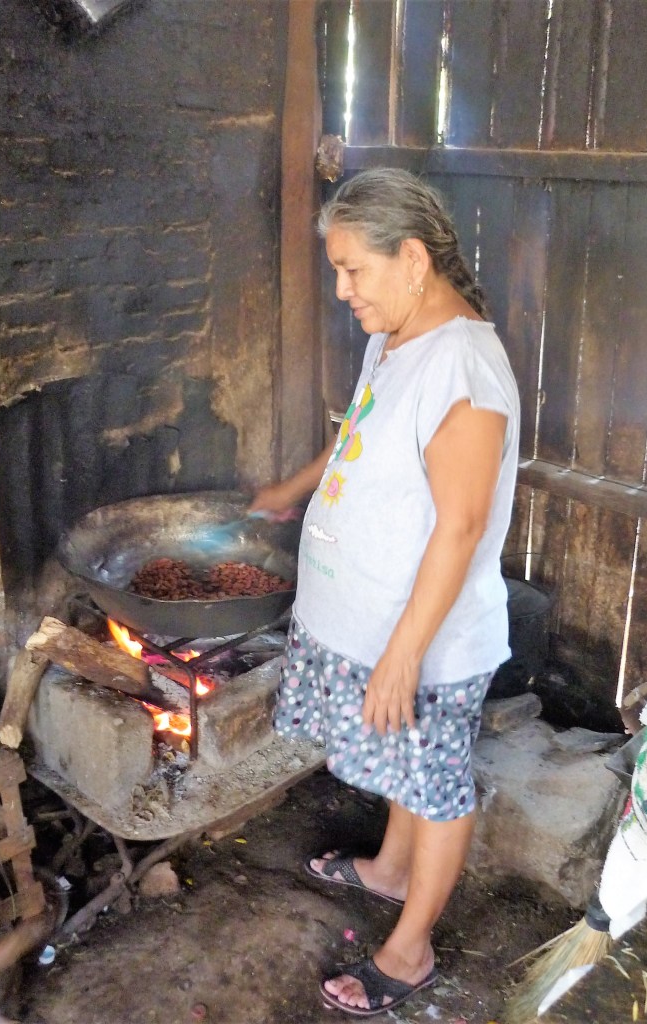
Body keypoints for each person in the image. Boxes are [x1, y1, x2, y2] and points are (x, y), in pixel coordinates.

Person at [250, 167, 520, 1018]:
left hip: (430, 639)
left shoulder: (466, 369)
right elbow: (358, 438)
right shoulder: (396, 338)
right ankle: (390, 870)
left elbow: (463, 527)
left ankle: (409, 950)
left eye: (352, 270)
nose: (342, 291)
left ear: (411, 258)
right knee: (403, 764)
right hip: (368, 624)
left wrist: (403, 656)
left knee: (435, 785)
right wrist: (294, 490)